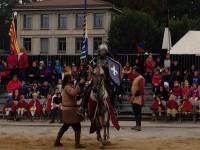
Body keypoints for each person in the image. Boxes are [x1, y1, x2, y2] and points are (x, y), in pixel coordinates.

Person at [54, 75, 85, 148]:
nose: (72, 79)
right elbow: (74, 93)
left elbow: (75, 93)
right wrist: (79, 84)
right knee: (77, 127)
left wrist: (80, 86)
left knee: (65, 126)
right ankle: (77, 144)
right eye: (71, 78)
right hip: (70, 110)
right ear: (68, 80)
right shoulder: (67, 87)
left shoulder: (68, 86)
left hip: (69, 110)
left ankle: (57, 141)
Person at [130, 66, 145, 131]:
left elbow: (141, 89)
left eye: (133, 71)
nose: (133, 72)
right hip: (134, 97)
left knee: (138, 112)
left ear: (136, 71)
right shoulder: (136, 78)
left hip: (138, 98)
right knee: (135, 112)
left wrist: (134, 95)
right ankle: (137, 125)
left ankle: (139, 126)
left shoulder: (141, 78)